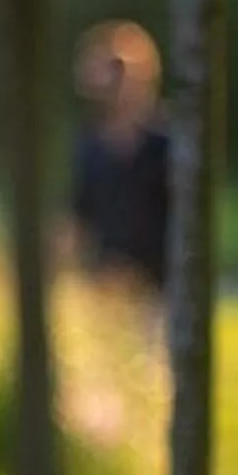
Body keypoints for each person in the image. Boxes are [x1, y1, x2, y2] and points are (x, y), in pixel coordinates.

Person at [67, 20, 173, 297]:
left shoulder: (167, 141)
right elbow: (81, 209)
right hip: (105, 283)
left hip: (159, 283)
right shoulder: (89, 143)